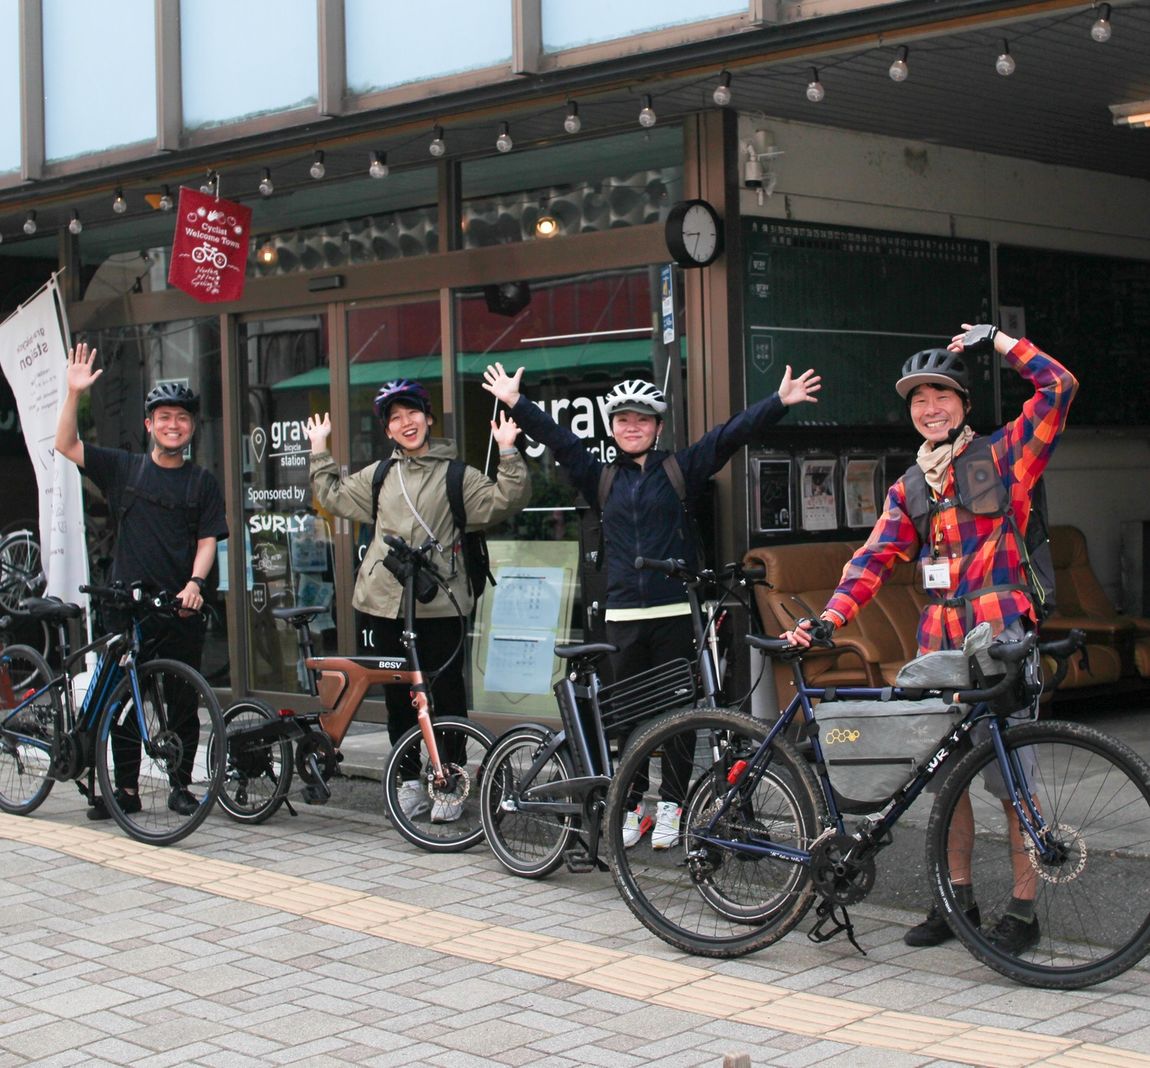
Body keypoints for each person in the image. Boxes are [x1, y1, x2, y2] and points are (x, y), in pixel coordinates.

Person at [783, 322, 1077, 955]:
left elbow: (1059, 386)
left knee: (1011, 783)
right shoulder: (909, 486)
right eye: (917, 399)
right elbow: (871, 561)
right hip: (937, 649)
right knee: (944, 782)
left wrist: (1000, 340)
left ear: (964, 404)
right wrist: (830, 618)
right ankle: (955, 901)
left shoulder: (1005, 455)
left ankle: (1024, 912)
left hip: (998, 640)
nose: (929, 408)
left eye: (941, 394)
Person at [483, 362, 821, 849]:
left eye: (642, 419)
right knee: (628, 720)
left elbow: (728, 436)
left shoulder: (679, 469)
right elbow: (558, 439)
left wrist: (779, 402)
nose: (632, 426)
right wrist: (517, 402)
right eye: (622, 419)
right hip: (622, 616)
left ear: (658, 426)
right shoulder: (599, 477)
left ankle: (673, 805)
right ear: (612, 428)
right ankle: (633, 802)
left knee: (680, 718)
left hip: (675, 614)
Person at [306, 379, 530, 822]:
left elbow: (505, 500)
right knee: (397, 697)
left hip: (440, 604)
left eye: (412, 414)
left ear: (428, 419)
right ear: (388, 431)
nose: (405, 423)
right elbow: (331, 495)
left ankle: (449, 781)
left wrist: (507, 451)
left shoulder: (456, 475)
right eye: (395, 418)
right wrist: (319, 449)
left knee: (445, 696)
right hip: (384, 602)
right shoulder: (380, 475)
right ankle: (408, 779)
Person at [54, 342, 228, 820]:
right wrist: (73, 393)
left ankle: (179, 785)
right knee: (124, 703)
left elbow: (209, 539)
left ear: (191, 428)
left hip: (180, 607)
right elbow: (65, 445)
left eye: (182, 418)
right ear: (149, 425)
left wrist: (195, 583)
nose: (174, 425)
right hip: (126, 607)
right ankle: (125, 790)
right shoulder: (124, 468)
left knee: (181, 701)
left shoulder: (202, 482)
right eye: (164, 417)